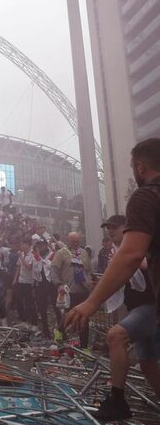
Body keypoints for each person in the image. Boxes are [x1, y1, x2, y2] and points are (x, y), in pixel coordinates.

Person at [65, 139, 160, 359]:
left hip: (148, 304)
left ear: (140, 167)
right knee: (147, 361)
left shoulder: (147, 196)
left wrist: (91, 302)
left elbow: (132, 254)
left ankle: (117, 394)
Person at [92, 215, 159, 420]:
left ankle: (117, 400)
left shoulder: (141, 247)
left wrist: (129, 257)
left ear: (127, 228)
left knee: (116, 336)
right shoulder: (118, 254)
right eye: (108, 229)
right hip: (138, 309)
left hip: (151, 308)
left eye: (115, 228)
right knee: (147, 363)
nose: (110, 232)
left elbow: (145, 265)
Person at [51, 232, 92, 347]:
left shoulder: (83, 253)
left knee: (84, 319)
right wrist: (58, 284)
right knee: (68, 317)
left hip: (83, 290)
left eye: (77, 242)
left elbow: (88, 270)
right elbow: (54, 270)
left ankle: (84, 346)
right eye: (73, 241)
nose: (75, 244)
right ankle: (59, 331)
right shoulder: (61, 253)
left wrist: (91, 282)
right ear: (68, 240)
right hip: (68, 291)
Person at [33, 240, 58, 338]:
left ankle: (60, 330)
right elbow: (36, 270)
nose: (40, 248)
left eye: (41, 245)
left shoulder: (52, 255)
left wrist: (41, 260)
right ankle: (46, 331)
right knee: (42, 308)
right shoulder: (37, 256)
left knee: (56, 308)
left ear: (45, 245)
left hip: (51, 283)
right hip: (40, 283)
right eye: (38, 246)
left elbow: (50, 266)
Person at [12, 238, 38, 329]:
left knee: (29, 303)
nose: (21, 246)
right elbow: (18, 267)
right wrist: (15, 279)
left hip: (29, 282)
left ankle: (34, 323)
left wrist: (21, 257)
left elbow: (28, 267)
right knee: (19, 301)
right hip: (20, 281)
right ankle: (24, 320)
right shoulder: (22, 254)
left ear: (28, 245)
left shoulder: (32, 255)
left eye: (23, 244)